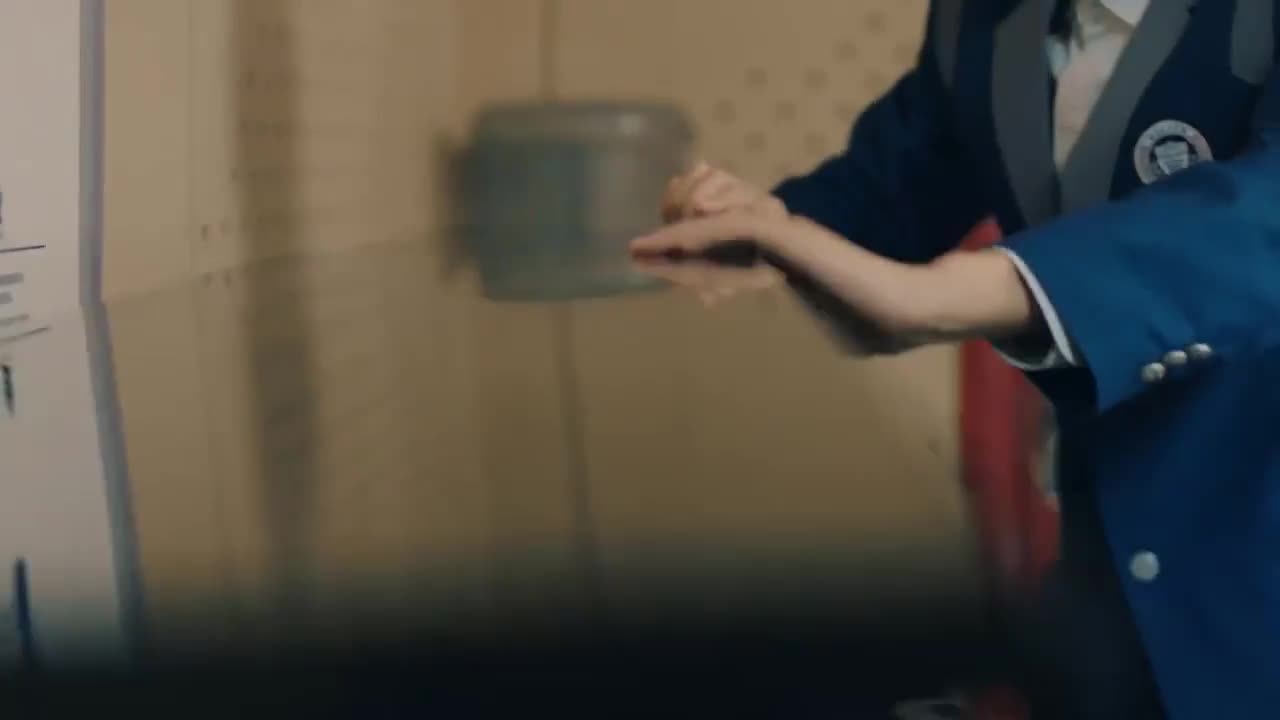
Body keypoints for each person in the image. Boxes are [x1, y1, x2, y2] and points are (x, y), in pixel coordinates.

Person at [631, 1, 1280, 718]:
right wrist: (770, 228)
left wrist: (952, 293)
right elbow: (898, 187)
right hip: (1112, 576)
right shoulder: (978, 17)